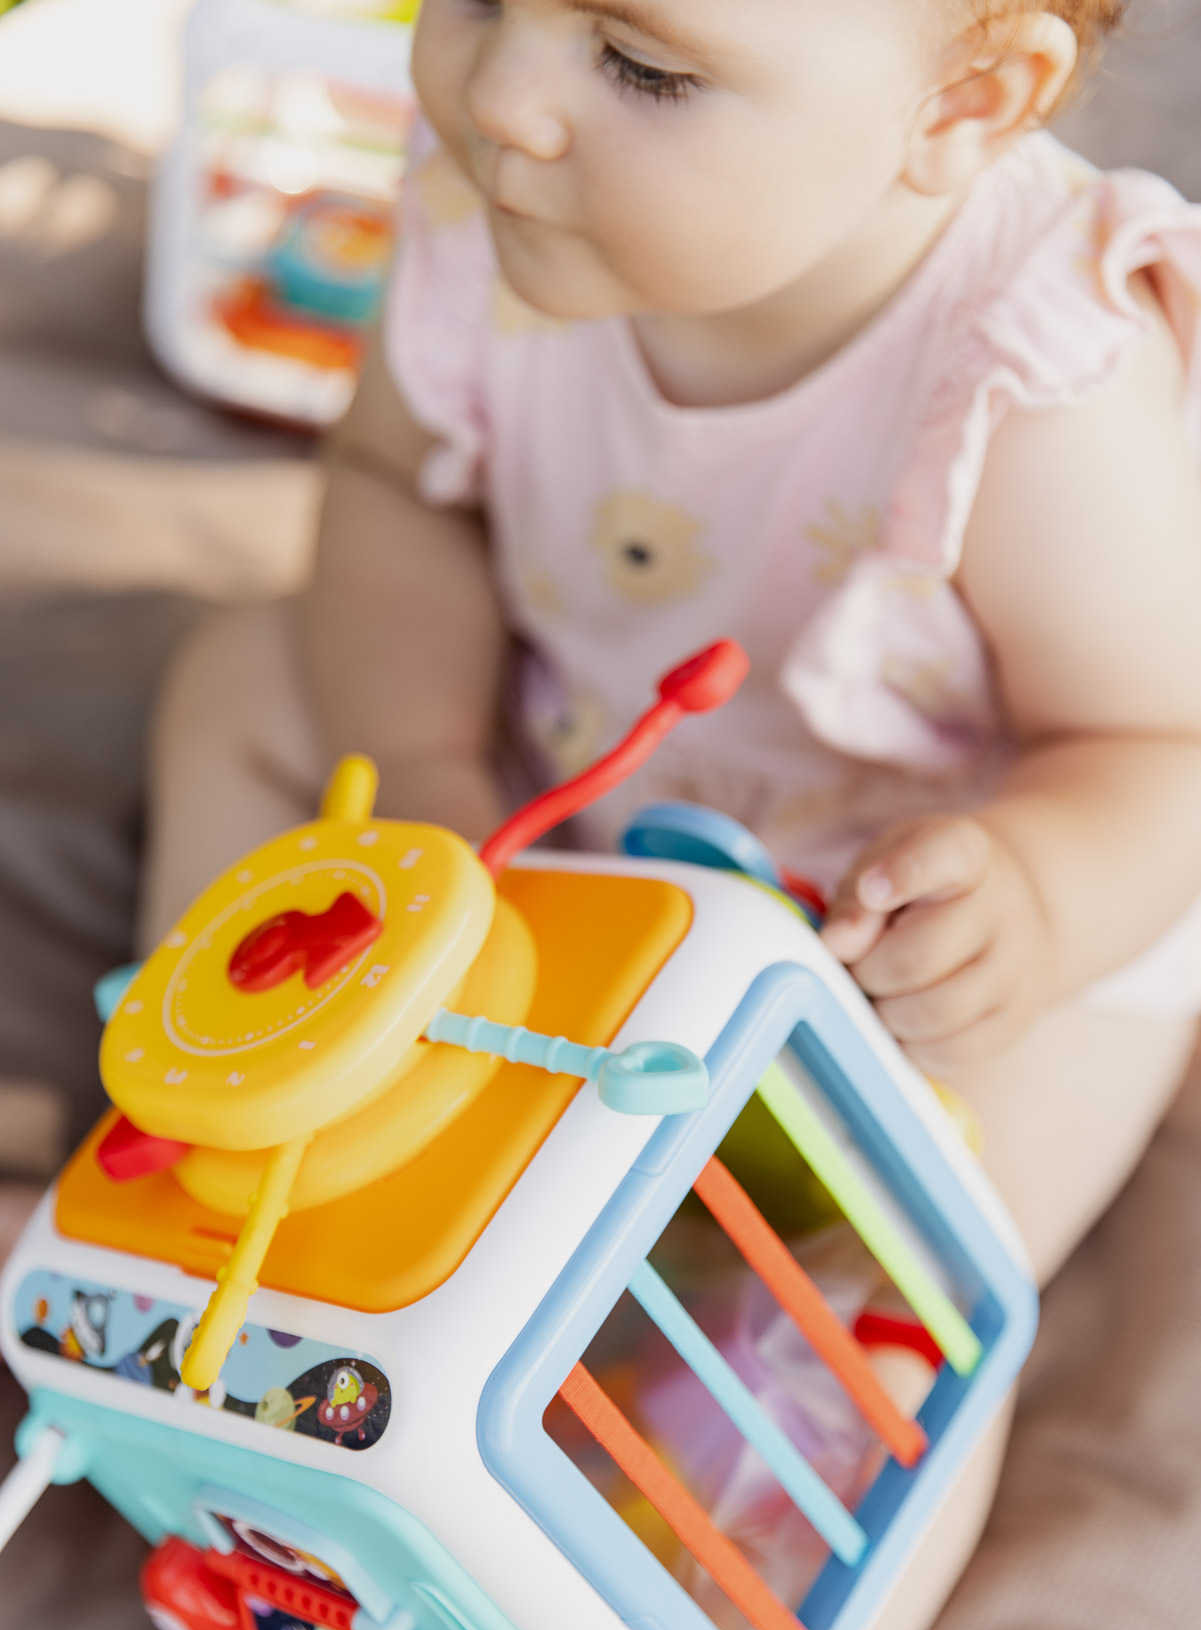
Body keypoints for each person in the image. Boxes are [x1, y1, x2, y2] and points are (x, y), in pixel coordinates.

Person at [144, 0, 1201, 1289]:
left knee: (973, 1179)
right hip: (556, 770)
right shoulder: (491, 200)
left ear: (962, 102)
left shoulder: (1039, 369)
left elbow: (1154, 744)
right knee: (247, 678)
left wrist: (1033, 897)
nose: (499, 98)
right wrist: (422, 766)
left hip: (886, 908)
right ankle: (208, 1138)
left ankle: (825, 1364)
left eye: (640, 67)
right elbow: (394, 485)